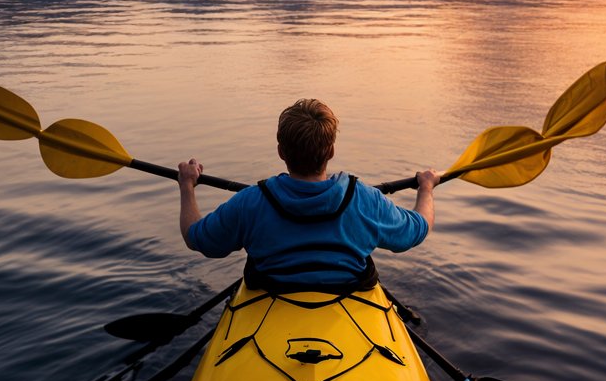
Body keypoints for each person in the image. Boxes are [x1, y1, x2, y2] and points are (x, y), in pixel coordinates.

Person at [177, 96, 440, 291]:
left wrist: (187, 186)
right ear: (331, 151)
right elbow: (419, 228)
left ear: (281, 152)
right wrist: (426, 188)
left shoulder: (250, 202)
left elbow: (195, 237)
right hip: (347, 301)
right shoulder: (364, 199)